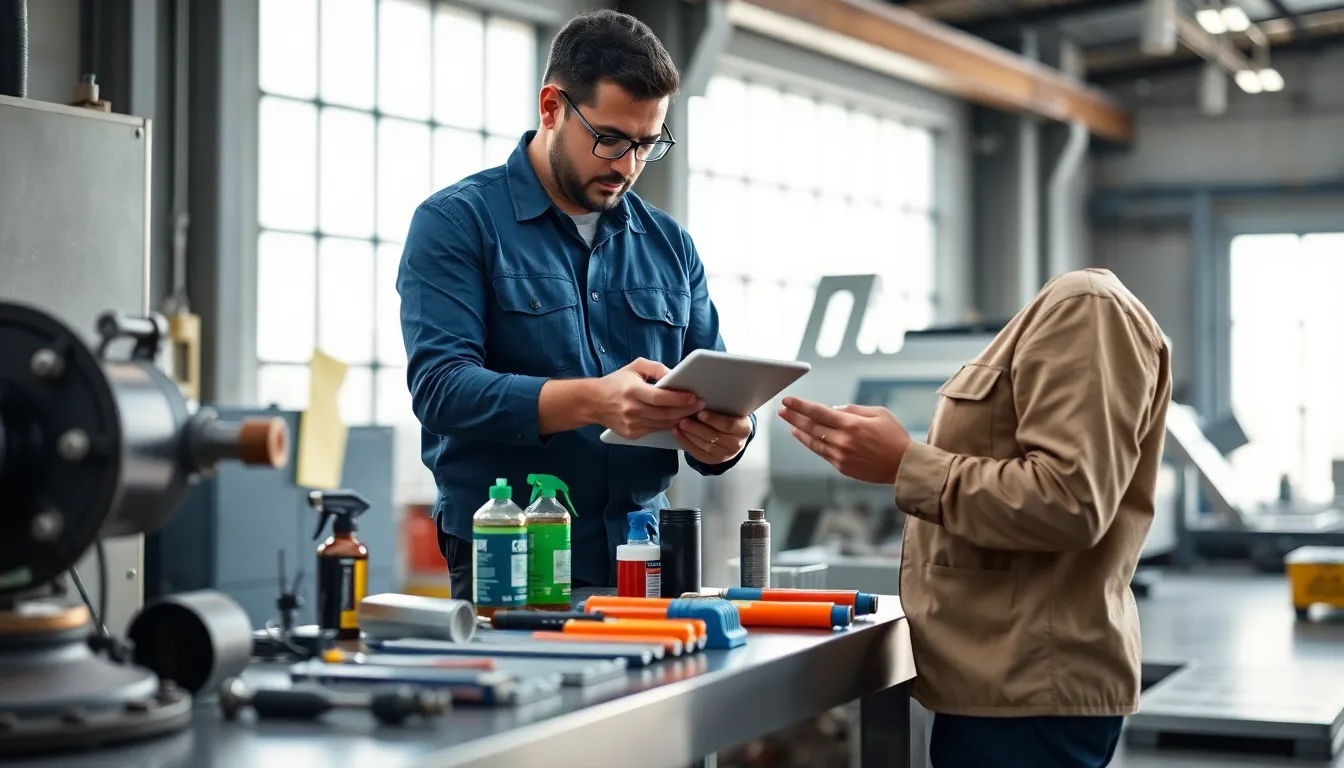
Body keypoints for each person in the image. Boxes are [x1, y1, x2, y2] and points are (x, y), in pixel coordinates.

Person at [397, 10, 754, 601]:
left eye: (646, 144)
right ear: (551, 107)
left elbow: (714, 383)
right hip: (510, 554)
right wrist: (595, 400)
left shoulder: (671, 246)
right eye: (609, 139)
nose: (627, 166)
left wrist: (728, 437)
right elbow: (441, 389)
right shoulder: (457, 223)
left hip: (644, 555)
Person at [779, 268, 1171, 768]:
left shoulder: (1086, 306)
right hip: (1002, 681)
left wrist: (904, 463)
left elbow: (1070, 501)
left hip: (1028, 690)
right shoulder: (1059, 315)